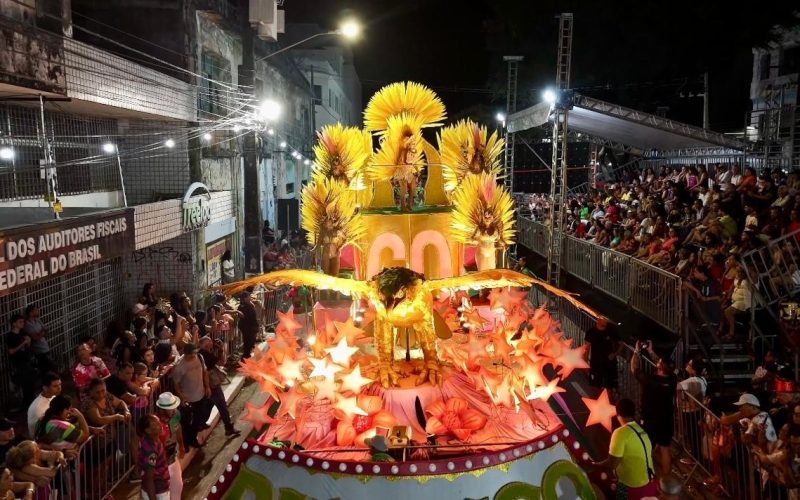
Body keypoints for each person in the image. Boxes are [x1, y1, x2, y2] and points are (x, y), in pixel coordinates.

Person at [592, 398, 658, 499]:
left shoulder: (620, 433)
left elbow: (612, 464)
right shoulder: (640, 429)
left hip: (632, 486)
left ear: (618, 414)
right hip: (650, 482)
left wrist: (596, 465)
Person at [632, 340, 677, 477]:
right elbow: (663, 365)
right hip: (666, 419)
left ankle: (645, 475)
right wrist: (650, 351)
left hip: (651, 419)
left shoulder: (651, 381)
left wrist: (636, 351)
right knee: (665, 449)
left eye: (658, 363)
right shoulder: (672, 379)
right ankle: (666, 480)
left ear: (659, 367)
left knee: (647, 447)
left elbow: (634, 368)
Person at [170, 343, 210, 449]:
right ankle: (186, 443)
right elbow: (176, 384)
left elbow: (205, 372)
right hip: (187, 399)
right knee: (185, 423)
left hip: (201, 395)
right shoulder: (179, 366)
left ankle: (192, 439)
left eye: (194, 354)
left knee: (197, 420)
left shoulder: (200, 357)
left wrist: (207, 387)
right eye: (190, 355)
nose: (193, 357)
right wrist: (182, 398)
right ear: (184, 353)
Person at [198, 337, 239, 437]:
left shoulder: (201, 353)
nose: (212, 343)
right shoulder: (205, 354)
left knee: (209, 405)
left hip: (207, 385)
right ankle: (228, 428)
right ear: (205, 344)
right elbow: (221, 362)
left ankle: (200, 423)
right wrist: (220, 350)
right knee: (222, 406)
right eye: (210, 342)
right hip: (212, 385)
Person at [5, 314, 40, 406]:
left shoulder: (22, 333)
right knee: (25, 386)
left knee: (31, 385)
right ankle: (26, 405)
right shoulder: (10, 336)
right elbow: (11, 351)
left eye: (23, 321)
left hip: (27, 362)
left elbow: (27, 347)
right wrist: (23, 343)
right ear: (14, 324)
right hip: (18, 364)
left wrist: (28, 342)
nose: (22, 323)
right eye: (20, 322)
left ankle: (31, 404)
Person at [154, 393, 184, 500]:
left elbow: (178, 428)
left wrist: (181, 445)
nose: (174, 410)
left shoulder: (175, 415)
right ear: (161, 410)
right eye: (171, 409)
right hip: (160, 465)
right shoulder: (154, 425)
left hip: (172, 458)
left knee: (178, 486)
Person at [676, 358, 707, 461]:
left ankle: (695, 457)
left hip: (691, 412)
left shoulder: (692, 381)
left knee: (693, 435)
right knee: (695, 434)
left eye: (689, 364)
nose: (687, 365)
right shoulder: (702, 379)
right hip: (697, 410)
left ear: (694, 369)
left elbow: (677, 387)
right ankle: (695, 453)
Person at [137, 415, 170, 500]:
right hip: (158, 491)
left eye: (158, 421)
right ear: (147, 430)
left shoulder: (149, 440)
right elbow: (149, 477)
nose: (159, 425)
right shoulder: (151, 452)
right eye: (154, 424)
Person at [584, 317, 621, 394]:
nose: (606, 321)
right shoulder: (590, 332)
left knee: (609, 386)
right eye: (604, 319)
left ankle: (609, 401)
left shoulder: (611, 331)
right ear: (598, 320)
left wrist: (615, 354)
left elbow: (621, 344)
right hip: (596, 363)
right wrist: (585, 363)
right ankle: (598, 400)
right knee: (595, 385)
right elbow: (586, 349)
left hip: (610, 364)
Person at [27, 373, 61, 438]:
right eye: (55, 386)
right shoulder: (38, 408)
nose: (59, 388)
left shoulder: (52, 396)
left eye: (60, 384)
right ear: (45, 388)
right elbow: (39, 432)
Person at [22, 305, 53, 375]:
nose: (38, 311)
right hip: (39, 351)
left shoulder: (38, 320)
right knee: (46, 371)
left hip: (45, 348)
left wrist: (40, 334)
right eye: (36, 310)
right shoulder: (27, 324)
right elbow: (35, 338)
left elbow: (46, 331)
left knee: (49, 369)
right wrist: (42, 332)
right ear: (30, 313)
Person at [237, 292, 259, 360]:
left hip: (251, 326)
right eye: (249, 296)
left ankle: (247, 355)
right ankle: (245, 356)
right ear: (245, 298)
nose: (250, 298)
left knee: (251, 341)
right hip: (247, 326)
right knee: (248, 341)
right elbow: (244, 316)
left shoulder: (250, 305)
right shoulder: (242, 306)